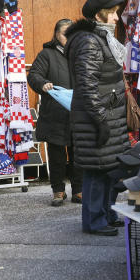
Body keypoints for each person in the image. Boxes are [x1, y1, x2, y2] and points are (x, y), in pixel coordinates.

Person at [65, 0, 130, 236]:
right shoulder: (89, 41)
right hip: (97, 117)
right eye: (112, 13)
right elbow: (86, 85)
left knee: (108, 169)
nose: (116, 18)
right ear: (98, 15)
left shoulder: (99, 39)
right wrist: (101, 120)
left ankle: (106, 213)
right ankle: (94, 220)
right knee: (96, 170)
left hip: (106, 115)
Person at [27, 18, 83, 207]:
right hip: (55, 114)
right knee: (57, 155)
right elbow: (34, 74)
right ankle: (58, 191)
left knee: (78, 154)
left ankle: (79, 190)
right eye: (63, 33)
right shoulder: (47, 54)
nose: (67, 37)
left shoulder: (81, 54)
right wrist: (43, 84)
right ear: (56, 34)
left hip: (77, 113)